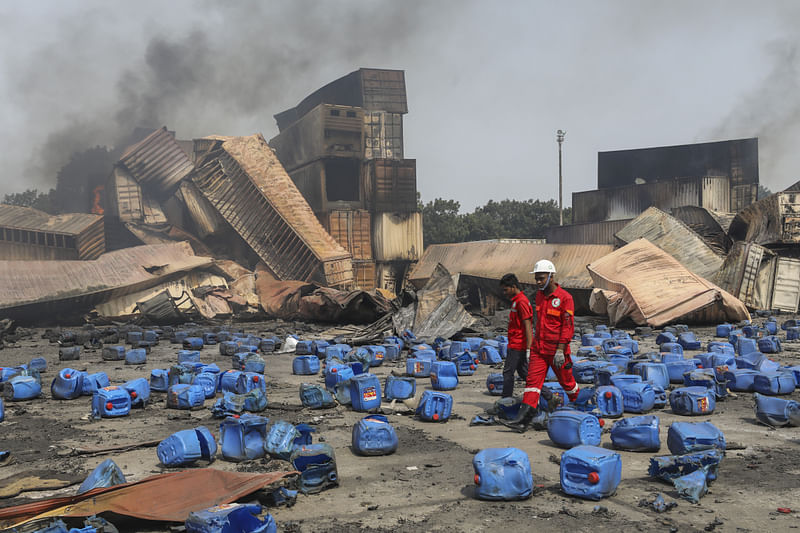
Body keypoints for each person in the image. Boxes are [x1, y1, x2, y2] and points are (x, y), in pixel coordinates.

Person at [500, 259, 578, 432]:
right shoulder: (539, 296)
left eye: (541, 278)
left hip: (557, 350)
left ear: (551, 276)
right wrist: (530, 349)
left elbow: (567, 327)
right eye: (536, 278)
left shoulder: (565, 298)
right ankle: (522, 422)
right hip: (539, 349)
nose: (538, 282)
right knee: (532, 384)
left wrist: (560, 350)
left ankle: (580, 403)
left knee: (568, 383)